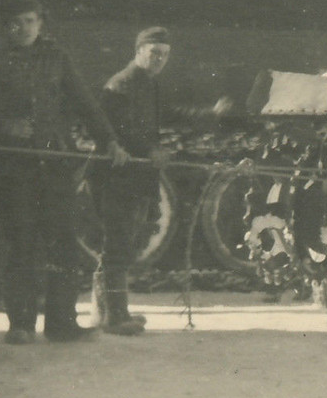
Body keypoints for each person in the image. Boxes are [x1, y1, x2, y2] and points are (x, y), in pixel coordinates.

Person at [0, 0, 129, 344]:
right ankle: (21, 325)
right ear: (4, 27)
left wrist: (110, 140)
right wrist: (5, 124)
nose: (23, 28)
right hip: (15, 167)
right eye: (15, 22)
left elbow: (85, 102)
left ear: (41, 23)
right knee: (21, 244)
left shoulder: (56, 57)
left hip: (56, 163)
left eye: (30, 21)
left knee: (63, 244)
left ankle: (61, 323)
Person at [88, 26, 230, 335]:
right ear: (138, 51)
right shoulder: (121, 85)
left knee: (125, 243)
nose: (159, 60)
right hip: (117, 176)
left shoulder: (146, 84)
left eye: (164, 55)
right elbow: (118, 130)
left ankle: (108, 312)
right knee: (118, 245)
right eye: (154, 53)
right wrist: (151, 149)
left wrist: (207, 114)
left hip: (135, 176)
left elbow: (165, 114)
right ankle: (114, 316)